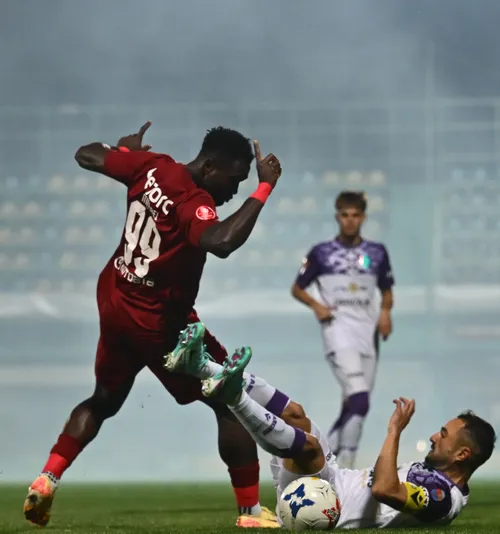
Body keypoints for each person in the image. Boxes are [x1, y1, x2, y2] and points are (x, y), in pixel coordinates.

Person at [24, 122, 282, 528]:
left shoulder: (152, 166)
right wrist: (263, 189)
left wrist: (124, 153)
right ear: (211, 166)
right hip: (160, 323)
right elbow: (221, 242)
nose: (234, 190)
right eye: (234, 179)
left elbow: (85, 154)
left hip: (116, 301)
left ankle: (47, 478)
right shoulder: (193, 202)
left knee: (103, 401)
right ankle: (251, 514)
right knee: (230, 400)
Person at [166, 322, 496, 529]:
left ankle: (233, 395)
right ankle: (200, 366)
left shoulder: (443, 497)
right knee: (295, 414)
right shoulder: (434, 477)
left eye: (444, 434)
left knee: (308, 447)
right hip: (336, 478)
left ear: (463, 454)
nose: (434, 437)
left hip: (327, 504)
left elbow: (384, 490)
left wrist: (394, 430)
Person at [291, 190, 395, 468]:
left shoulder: (377, 252)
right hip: (337, 331)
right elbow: (297, 288)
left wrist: (385, 312)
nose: (350, 221)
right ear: (337, 216)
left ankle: (328, 459)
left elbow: (386, 290)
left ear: (363, 217)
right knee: (360, 398)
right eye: (345, 215)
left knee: (355, 405)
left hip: (368, 334)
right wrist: (316, 305)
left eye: (355, 215)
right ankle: (340, 461)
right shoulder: (322, 252)